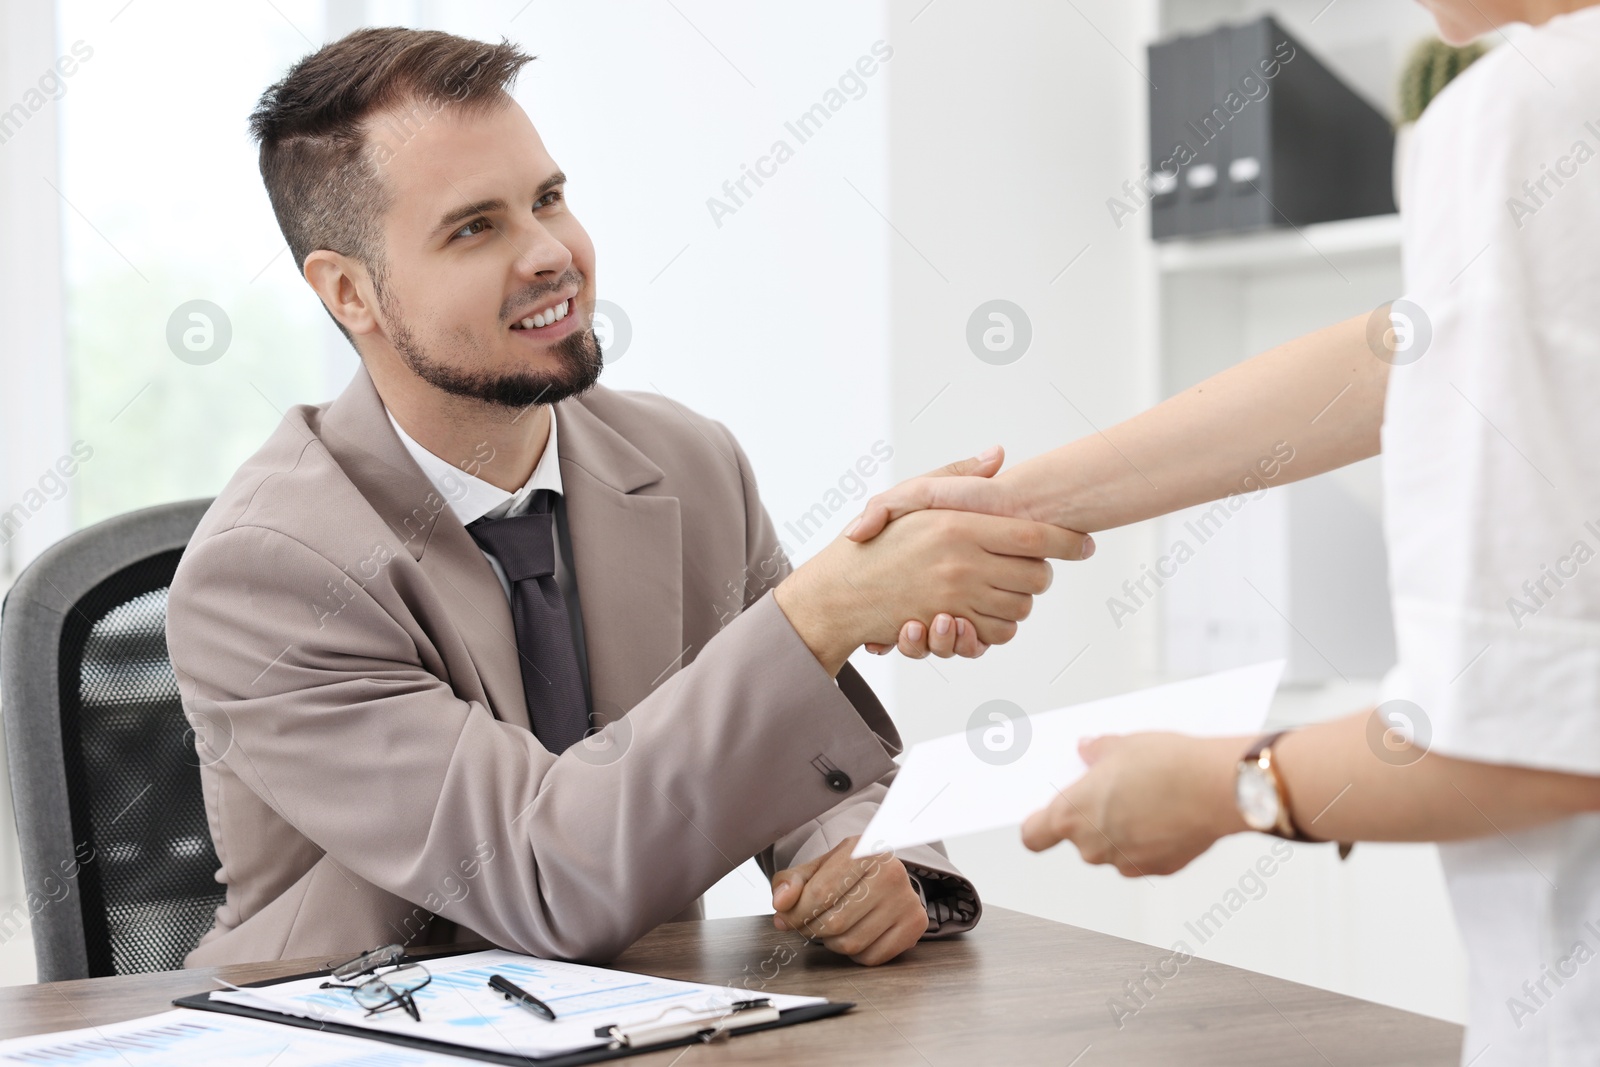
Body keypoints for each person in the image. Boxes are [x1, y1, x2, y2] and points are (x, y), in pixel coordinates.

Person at [166, 27, 1089, 970]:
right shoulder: (264, 575)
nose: (552, 254)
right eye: (475, 226)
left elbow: (823, 760)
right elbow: (539, 875)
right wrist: (831, 605)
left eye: (549, 199)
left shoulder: (687, 463)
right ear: (349, 292)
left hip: (649, 1018)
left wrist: (862, 860)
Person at [846, 1, 1600, 1061]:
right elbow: (1405, 349)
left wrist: (1229, 785)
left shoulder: (1528, 115)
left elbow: (1537, 736)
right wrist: (1020, 502)